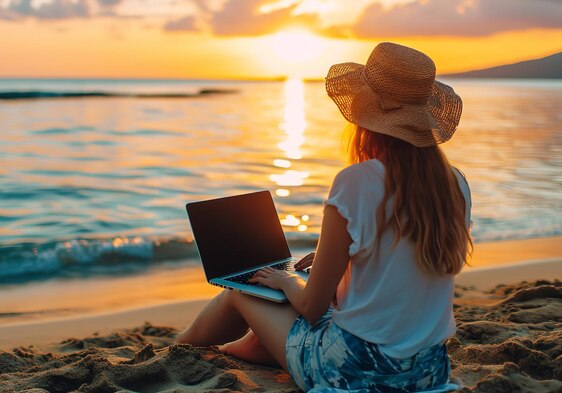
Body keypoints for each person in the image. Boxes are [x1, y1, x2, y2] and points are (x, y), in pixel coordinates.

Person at [177, 42, 472, 393]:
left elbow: (313, 308)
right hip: (428, 370)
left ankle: (178, 349)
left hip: (355, 370)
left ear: (364, 118)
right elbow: (401, 268)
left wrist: (287, 282)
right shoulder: (456, 183)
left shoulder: (357, 181)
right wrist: (343, 265)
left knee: (243, 292)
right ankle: (230, 350)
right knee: (280, 318)